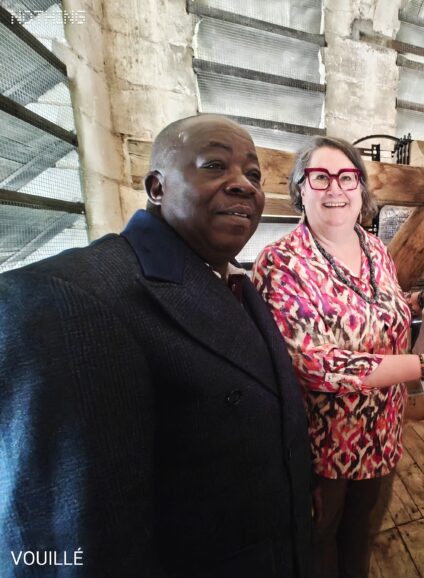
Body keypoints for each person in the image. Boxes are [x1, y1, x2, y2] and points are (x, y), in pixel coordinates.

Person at [0, 115, 312, 577]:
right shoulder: (67, 299)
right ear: (157, 187)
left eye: (253, 174)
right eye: (214, 165)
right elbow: (75, 549)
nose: (243, 185)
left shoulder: (232, 282)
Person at [253, 136, 424, 577]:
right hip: (323, 443)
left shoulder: (373, 247)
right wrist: (422, 366)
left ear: (361, 189)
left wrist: (416, 303)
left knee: (361, 533)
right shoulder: (281, 262)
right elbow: (315, 365)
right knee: (320, 539)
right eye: (320, 177)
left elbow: (380, 307)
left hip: (382, 430)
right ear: (300, 188)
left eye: (347, 178)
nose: (335, 189)